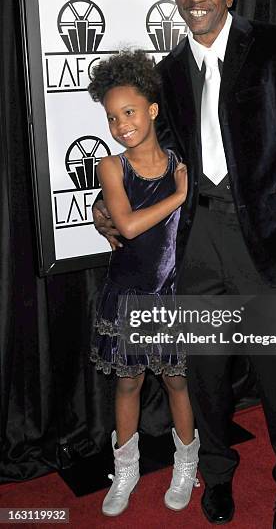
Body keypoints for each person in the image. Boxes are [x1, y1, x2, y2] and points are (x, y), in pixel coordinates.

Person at [93, 0, 276, 527]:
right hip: (197, 240)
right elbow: (153, 152)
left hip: (271, 240)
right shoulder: (170, 71)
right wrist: (106, 203)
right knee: (207, 371)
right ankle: (217, 476)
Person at [88, 50, 200, 517]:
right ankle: (126, 469)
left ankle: (186, 464)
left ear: (152, 110)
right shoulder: (111, 167)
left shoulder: (182, 162)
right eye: (112, 118)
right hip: (128, 296)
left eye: (129, 112)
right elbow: (129, 227)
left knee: (177, 382)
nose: (120, 125)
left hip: (170, 298)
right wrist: (177, 195)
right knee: (128, 384)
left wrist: (183, 186)